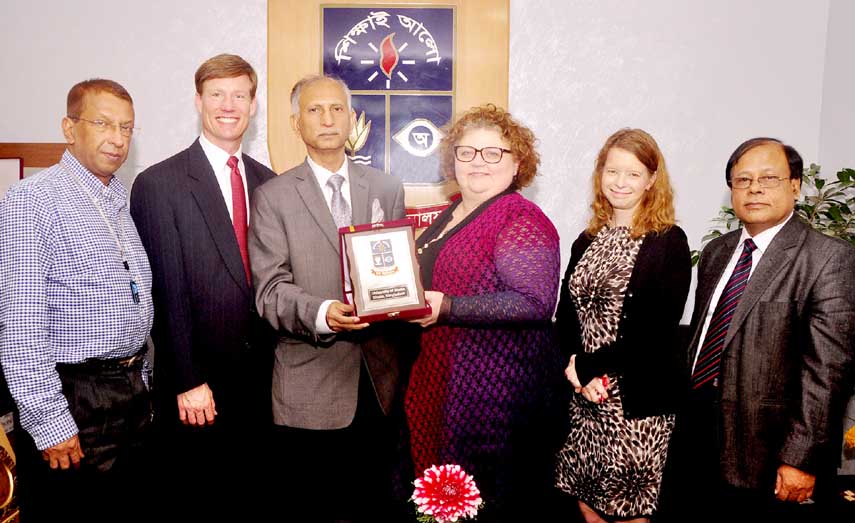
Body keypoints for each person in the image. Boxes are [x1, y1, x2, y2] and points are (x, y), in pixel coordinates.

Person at [661, 137, 855, 523]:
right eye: (742, 180)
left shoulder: (829, 258)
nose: (754, 189)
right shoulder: (717, 252)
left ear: (795, 186)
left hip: (767, 450)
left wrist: (800, 459)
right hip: (695, 432)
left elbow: (826, 374)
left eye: (769, 178)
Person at [248, 74, 407, 521]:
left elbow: (392, 273)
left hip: (379, 384)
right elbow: (270, 291)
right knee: (313, 511)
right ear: (296, 123)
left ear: (353, 119)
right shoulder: (272, 197)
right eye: (315, 110)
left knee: (375, 509)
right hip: (309, 388)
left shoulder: (385, 188)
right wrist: (323, 314)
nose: (328, 119)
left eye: (338, 109)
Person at [0, 79, 153, 522]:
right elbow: (21, 323)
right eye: (103, 124)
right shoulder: (34, 200)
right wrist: (49, 419)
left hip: (130, 394)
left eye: (127, 128)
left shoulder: (118, 197)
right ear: (69, 128)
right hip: (75, 399)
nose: (118, 138)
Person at [129, 54, 276, 518]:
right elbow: (165, 292)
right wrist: (189, 378)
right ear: (198, 101)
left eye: (239, 95)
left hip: (265, 381)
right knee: (200, 501)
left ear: (253, 105)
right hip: (199, 386)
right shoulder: (159, 183)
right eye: (217, 94)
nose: (228, 105)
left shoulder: (268, 182)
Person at [405, 104, 566, 521]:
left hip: (494, 396)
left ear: (517, 164)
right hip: (445, 380)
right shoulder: (452, 211)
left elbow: (534, 302)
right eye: (467, 152)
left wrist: (450, 307)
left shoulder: (522, 217)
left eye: (493, 153)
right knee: (443, 506)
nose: (478, 162)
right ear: (452, 159)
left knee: (486, 504)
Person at [553, 129, 691, 523]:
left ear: (651, 179)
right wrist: (577, 370)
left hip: (638, 400)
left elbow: (656, 329)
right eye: (612, 171)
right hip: (585, 395)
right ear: (600, 175)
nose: (620, 182)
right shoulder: (587, 239)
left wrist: (591, 367)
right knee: (586, 498)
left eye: (633, 173)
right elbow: (566, 313)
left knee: (629, 511)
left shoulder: (668, 241)